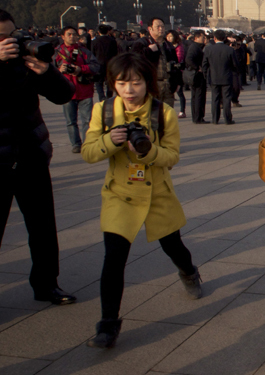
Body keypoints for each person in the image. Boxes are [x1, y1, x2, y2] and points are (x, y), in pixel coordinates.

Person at [81, 52, 202, 348]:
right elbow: (88, 152)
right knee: (114, 259)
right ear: (113, 83)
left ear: (148, 83)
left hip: (157, 193)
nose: (129, 89)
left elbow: (172, 156)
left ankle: (189, 271)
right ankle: (108, 324)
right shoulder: (104, 110)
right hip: (119, 195)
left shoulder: (164, 113)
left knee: (174, 247)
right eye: (122, 83)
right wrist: (112, 140)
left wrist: (147, 152)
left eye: (136, 82)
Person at [0, 9, 78, 306]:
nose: (11, 43)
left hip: (30, 155)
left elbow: (64, 94)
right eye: (2, 38)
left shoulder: (27, 63)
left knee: (43, 227)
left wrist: (47, 72)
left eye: (13, 35)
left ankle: (46, 284)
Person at [54, 26, 100, 153]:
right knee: (70, 121)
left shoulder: (84, 51)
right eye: (69, 34)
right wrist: (59, 70)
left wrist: (81, 69)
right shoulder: (57, 53)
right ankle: (75, 144)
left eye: (74, 34)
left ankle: (87, 143)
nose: (72, 37)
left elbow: (95, 66)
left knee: (87, 120)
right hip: (67, 92)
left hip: (84, 90)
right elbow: (48, 71)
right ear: (62, 37)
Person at [132, 17, 175, 108]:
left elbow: (175, 63)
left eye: (163, 26)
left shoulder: (168, 45)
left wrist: (177, 82)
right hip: (151, 85)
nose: (161, 29)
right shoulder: (142, 43)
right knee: (152, 114)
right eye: (158, 27)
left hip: (168, 85)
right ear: (150, 28)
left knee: (167, 115)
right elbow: (134, 60)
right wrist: (148, 51)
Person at [202, 30, 237, 125]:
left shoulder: (209, 49)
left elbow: (204, 64)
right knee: (226, 99)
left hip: (214, 78)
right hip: (226, 77)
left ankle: (215, 119)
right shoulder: (230, 50)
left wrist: (205, 75)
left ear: (214, 38)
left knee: (215, 99)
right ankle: (227, 119)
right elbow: (235, 65)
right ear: (225, 38)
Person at [184, 31, 208, 124]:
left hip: (197, 75)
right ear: (196, 38)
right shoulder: (194, 47)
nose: (204, 39)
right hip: (197, 75)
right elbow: (188, 59)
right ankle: (198, 117)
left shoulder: (197, 47)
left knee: (196, 96)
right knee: (198, 96)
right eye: (203, 37)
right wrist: (197, 67)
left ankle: (197, 116)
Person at [92, 24, 119, 101]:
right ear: (108, 31)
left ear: (98, 32)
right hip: (110, 64)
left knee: (98, 82)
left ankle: (101, 97)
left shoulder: (95, 41)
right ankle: (109, 96)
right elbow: (115, 53)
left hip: (98, 64)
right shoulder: (112, 41)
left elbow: (92, 53)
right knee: (109, 81)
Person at [164, 30, 186, 118]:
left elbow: (179, 59)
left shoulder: (179, 47)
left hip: (177, 72)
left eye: (171, 36)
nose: (169, 38)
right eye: (167, 36)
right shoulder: (165, 46)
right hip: (168, 72)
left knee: (180, 92)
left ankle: (182, 110)